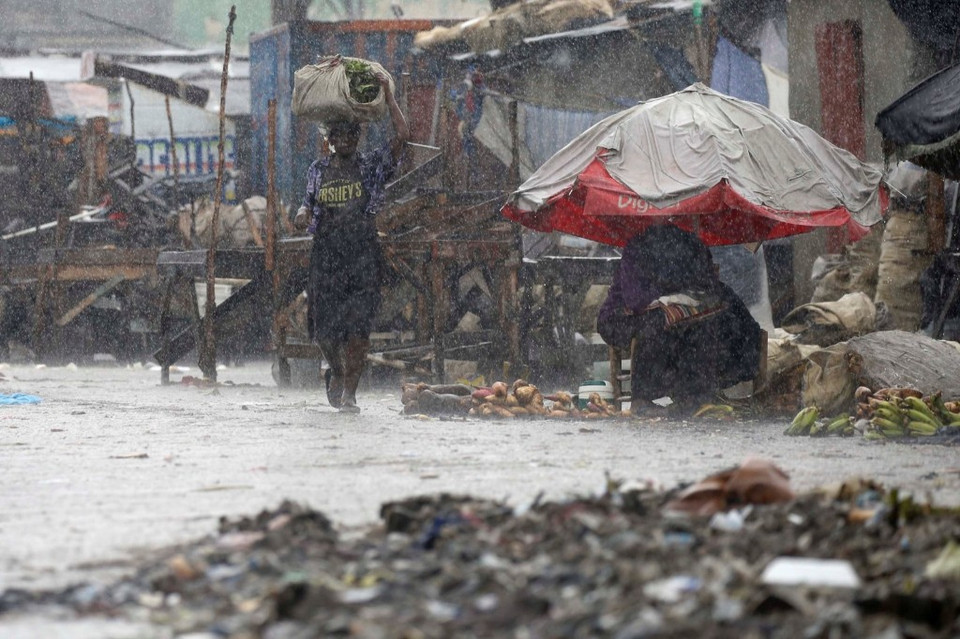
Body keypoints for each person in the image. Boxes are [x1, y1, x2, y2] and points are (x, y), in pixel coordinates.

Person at [294, 70, 409, 413]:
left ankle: (350, 394)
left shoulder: (372, 165)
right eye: (337, 134)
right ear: (329, 139)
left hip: (362, 254)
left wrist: (388, 95)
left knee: (358, 329)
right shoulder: (317, 170)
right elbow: (308, 203)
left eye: (350, 133)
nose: (344, 139)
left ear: (358, 136)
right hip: (326, 255)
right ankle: (338, 369)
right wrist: (302, 215)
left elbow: (403, 135)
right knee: (326, 332)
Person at [597, 224, 762, 413]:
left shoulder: (692, 244)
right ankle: (643, 398)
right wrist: (669, 292)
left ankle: (695, 393)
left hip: (676, 313)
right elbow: (636, 300)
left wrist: (685, 293)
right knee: (657, 326)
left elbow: (706, 283)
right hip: (622, 316)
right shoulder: (638, 246)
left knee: (703, 325)